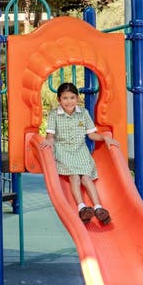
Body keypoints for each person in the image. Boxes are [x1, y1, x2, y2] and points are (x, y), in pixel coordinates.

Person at [41, 82, 118, 224]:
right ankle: (82, 207)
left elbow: (92, 135)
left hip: (80, 150)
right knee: (75, 177)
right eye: (65, 98)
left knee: (86, 178)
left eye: (72, 98)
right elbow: (51, 136)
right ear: (59, 100)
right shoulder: (54, 115)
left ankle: (98, 208)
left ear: (77, 98)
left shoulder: (83, 113)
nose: (69, 101)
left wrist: (105, 137)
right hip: (64, 151)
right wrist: (48, 143)